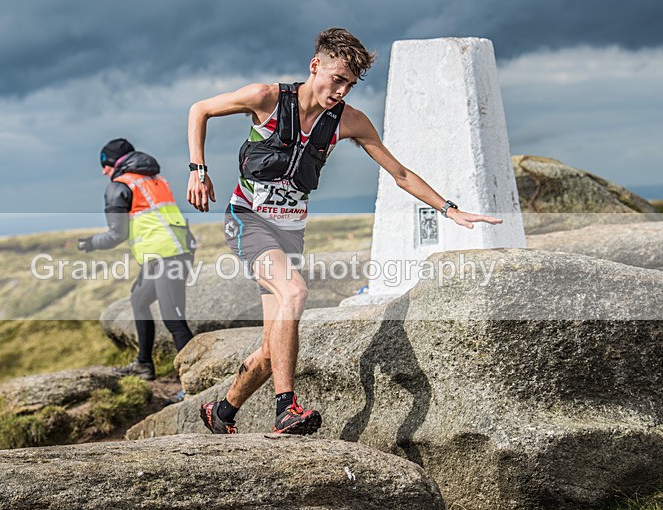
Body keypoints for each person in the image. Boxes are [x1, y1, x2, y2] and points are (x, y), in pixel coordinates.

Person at [186, 28, 503, 435]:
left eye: (349, 84)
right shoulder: (265, 97)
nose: (341, 91)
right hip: (248, 221)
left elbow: (400, 173)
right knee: (295, 292)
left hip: (289, 232)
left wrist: (450, 210)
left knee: (272, 349)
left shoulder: (349, 121)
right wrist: (198, 170)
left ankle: (222, 412)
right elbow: (199, 109)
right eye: (337, 79)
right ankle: (286, 409)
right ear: (315, 65)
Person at [79, 139, 195, 380]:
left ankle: (194, 380)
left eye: (105, 164)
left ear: (115, 163)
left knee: (174, 320)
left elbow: (116, 234)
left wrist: (90, 243)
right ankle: (144, 364)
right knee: (139, 300)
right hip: (173, 251)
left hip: (168, 256)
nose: (103, 171)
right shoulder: (155, 179)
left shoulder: (119, 186)